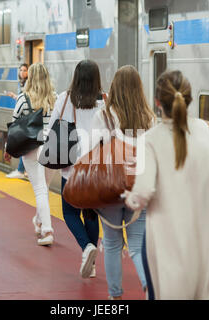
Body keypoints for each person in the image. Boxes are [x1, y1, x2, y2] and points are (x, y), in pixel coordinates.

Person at [124, 70, 209, 300]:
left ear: (157, 103)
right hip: (207, 235)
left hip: (169, 240)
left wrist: (129, 198)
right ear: (190, 99)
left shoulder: (150, 140)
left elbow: (143, 193)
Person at [89, 65, 155, 299]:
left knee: (112, 243)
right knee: (137, 246)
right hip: (139, 187)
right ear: (139, 89)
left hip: (110, 190)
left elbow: (92, 152)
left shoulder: (103, 116)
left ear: (114, 88)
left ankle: (115, 295)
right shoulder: (149, 118)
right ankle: (149, 287)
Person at [48, 60, 106, 278]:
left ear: (76, 76)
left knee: (69, 212)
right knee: (91, 213)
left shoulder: (64, 99)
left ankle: (87, 248)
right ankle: (91, 265)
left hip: (70, 169)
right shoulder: (105, 101)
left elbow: (52, 127)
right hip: (95, 170)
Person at [4, 63, 57, 246]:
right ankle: (39, 220)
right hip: (51, 148)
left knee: (40, 190)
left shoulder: (23, 98)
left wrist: (7, 148)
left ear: (30, 78)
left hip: (32, 148)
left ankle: (47, 231)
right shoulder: (54, 98)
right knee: (44, 189)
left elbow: (15, 125)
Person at [6, 63, 29, 179]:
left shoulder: (28, 84)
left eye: (25, 70)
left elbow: (25, 100)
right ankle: (23, 170)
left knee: (23, 144)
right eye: (21, 70)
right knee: (24, 144)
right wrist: (14, 96)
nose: (22, 72)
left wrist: (16, 97)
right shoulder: (21, 84)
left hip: (25, 118)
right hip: (22, 117)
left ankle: (21, 170)